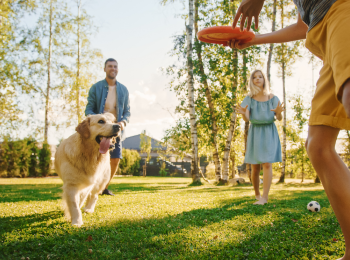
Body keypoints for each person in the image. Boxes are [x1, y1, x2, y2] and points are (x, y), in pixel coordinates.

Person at [229, 0, 350, 259]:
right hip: (325, 40)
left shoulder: (270, 97)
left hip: (344, 12)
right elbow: (301, 26)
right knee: (318, 146)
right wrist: (254, 39)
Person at [237, 69, 284, 205]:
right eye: (254, 77)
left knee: (267, 163)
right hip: (255, 132)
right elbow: (247, 119)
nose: (257, 79)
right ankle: (257, 194)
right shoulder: (249, 98)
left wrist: (279, 113)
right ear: (251, 81)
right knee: (255, 166)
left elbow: (279, 118)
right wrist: (242, 113)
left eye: (260, 77)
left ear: (264, 80)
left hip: (269, 131)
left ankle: (265, 197)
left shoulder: (273, 98)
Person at [85, 58, 130, 196]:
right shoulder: (96, 87)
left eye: (115, 66)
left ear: (118, 69)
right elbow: (89, 109)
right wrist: (98, 121)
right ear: (104, 69)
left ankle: (102, 188)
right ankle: (89, 186)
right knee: (94, 158)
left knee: (115, 158)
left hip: (115, 130)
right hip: (99, 131)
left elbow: (127, 112)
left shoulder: (123, 90)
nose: (113, 69)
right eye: (110, 66)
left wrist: (123, 123)